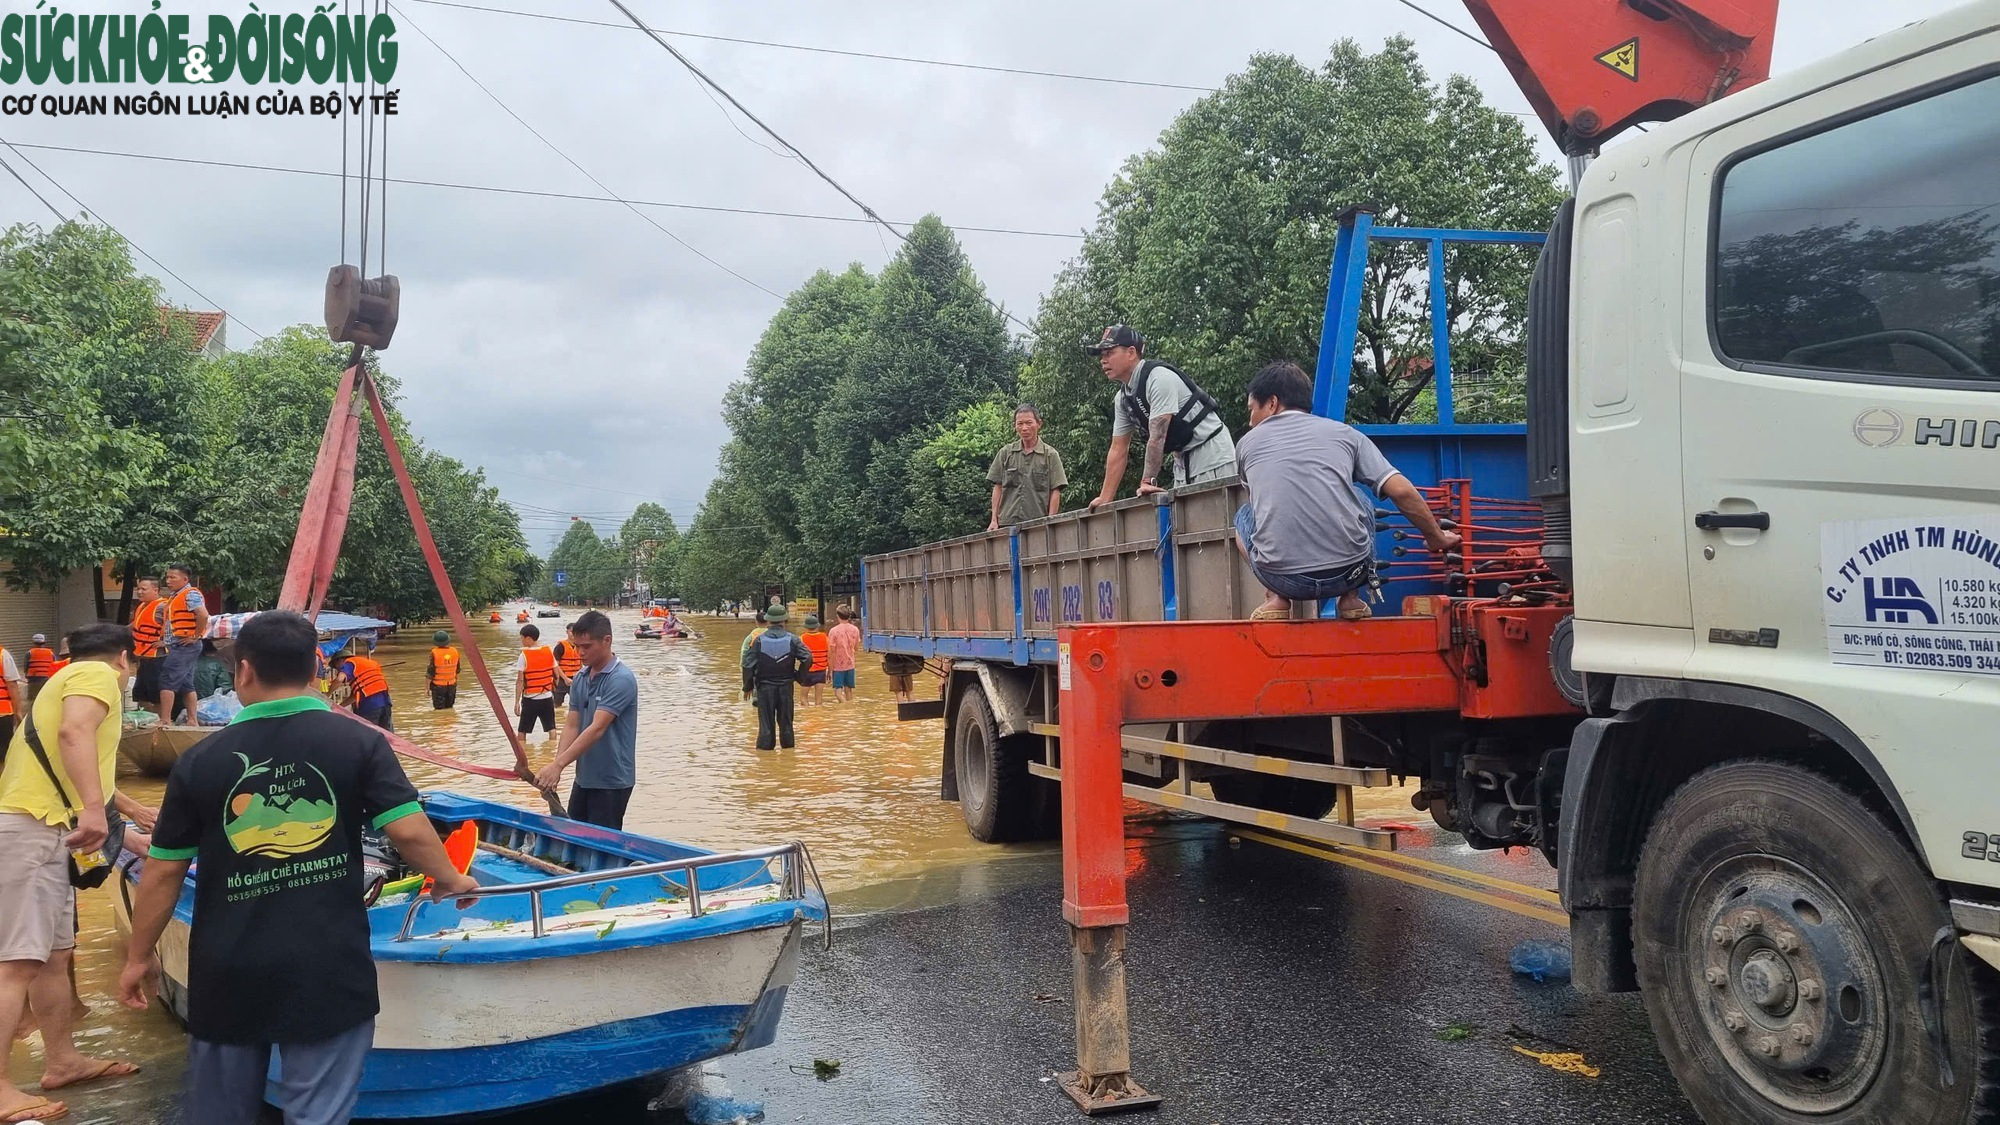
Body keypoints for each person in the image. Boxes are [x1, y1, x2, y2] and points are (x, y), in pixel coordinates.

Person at [118, 611, 477, 1125]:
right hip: (327, 967)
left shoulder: (201, 760)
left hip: (228, 971)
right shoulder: (359, 742)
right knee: (319, 1116)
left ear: (243, 672)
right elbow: (409, 831)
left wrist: (137, 958)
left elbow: (163, 870)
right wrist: (451, 878)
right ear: (315, 667)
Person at [0, 623, 142, 1124]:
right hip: (32, 828)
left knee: (55, 955)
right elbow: (74, 733)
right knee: (16, 961)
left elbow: (69, 755)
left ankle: (63, 1061)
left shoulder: (60, 680)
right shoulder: (98, 676)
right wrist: (95, 812)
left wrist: (125, 809)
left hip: (44, 828)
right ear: (125, 658)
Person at [1234, 362, 1461, 621]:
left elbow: (1263, 512)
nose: (1250, 421)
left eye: (1252, 410)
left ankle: (1276, 598)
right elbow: (1403, 491)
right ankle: (1351, 599)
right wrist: (1436, 537)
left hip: (1286, 581)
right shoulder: (1346, 434)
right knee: (1361, 497)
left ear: (1272, 403)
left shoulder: (1246, 445)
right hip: (1349, 574)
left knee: (1244, 515)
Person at [1084, 325, 1237, 508]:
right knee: (1186, 527)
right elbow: (1118, 449)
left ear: (1131, 352)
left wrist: (1148, 481)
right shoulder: (1123, 398)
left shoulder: (1158, 378)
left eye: (1109, 352)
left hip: (1211, 452)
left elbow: (1158, 435)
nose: (1103, 360)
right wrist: (1105, 498)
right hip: (1181, 460)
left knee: (1217, 520)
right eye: (1101, 355)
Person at [533, 611, 637, 829]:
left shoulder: (620, 680)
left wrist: (559, 764)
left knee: (601, 845)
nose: (580, 652)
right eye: (577, 646)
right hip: (584, 778)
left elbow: (597, 728)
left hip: (611, 781)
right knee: (574, 837)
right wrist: (556, 766)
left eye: (587, 646)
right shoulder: (580, 678)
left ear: (607, 640)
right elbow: (572, 725)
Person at [742, 606, 812, 752]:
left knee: (766, 725)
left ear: (768, 621)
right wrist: (799, 677)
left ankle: (765, 761)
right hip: (786, 686)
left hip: (764, 687)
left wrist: (747, 686)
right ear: (784, 621)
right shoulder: (793, 639)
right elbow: (807, 657)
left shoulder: (759, 641)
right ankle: (788, 755)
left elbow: (747, 664)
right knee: (786, 723)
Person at [987, 404, 1067, 530]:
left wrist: (1050, 521)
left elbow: (1055, 491)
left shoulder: (1050, 455)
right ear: (1015, 426)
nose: (1024, 428)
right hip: (1007, 524)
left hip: (1038, 524)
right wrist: (993, 520)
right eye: (1020, 424)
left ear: (1039, 424)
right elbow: (998, 487)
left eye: (1029, 423)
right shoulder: (1006, 453)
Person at [157, 565, 211, 724]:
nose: (168, 581)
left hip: (184, 645)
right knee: (186, 684)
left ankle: (165, 720)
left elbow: (203, 614)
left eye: (172, 577)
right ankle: (192, 720)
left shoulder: (190, 594)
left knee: (167, 680)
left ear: (185, 579)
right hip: (181, 644)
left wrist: (195, 636)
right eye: (167, 577)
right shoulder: (176, 596)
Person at [512, 624, 562, 736]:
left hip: (530, 699)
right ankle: (552, 751)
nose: (521, 641)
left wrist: (517, 702)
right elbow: (557, 675)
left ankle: (524, 752)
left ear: (528, 638)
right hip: (547, 697)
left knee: (522, 733)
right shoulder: (548, 652)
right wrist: (551, 691)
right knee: (552, 729)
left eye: (522, 638)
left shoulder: (524, 656)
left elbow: (520, 681)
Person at [129, 577, 167, 720]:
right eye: (138, 589)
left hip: (158, 657)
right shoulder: (141, 606)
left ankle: (160, 721)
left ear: (155, 590)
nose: (139, 592)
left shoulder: (163, 606)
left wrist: (166, 642)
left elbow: (176, 625)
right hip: (143, 657)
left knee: (156, 695)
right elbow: (135, 625)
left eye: (143, 589)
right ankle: (146, 720)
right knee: (140, 694)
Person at [336, 645, 394, 731]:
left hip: (370, 705)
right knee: (388, 736)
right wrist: (340, 707)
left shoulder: (348, 663)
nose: (337, 669)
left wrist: (328, 694)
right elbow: (354, 697)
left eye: (336, 666)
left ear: (340, 660)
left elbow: (339, 679)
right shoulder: (368, 663)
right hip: (386, 703)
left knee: (368, 735)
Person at [827, 606, 861, 704]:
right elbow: (856, 648)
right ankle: (850, 711)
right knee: (849, 690)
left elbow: (831, 652)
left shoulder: (833, 631)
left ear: (837, 616)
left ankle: (845, 709)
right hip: (850, 664)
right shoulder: (855, 629)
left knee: (838, 692)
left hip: (838, 666)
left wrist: (830, 669)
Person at [797, 615, 829, 706]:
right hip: (821, 671)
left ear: (806, 627)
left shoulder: (801, 638)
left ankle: (807, 715)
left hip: (807, 671)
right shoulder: (825, 638)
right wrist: (830, 670)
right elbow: (829, 656)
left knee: (803, 698)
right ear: (817, 626)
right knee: (819, 700)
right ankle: (818, 716)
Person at [426, 631, 461, 711]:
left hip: (438, 687)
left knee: (439, 710)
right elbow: (457, 670)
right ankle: (450, 722)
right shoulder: (455, 651)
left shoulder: (434, 653)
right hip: (452, 685)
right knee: (449, 708)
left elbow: (430, 673)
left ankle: (441, 722)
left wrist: (426, 688)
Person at [550, 628, 583, 709]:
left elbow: (581, 663)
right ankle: (558, 719)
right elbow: (555, 665)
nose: (573, 633)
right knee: (557, 704)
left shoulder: (581, 646)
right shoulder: (560, 646)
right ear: (567, 632)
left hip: (576, 678)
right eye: (571, 631)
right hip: (562, 679)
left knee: (579, 703)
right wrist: (565, 678)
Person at [0, 642, 24, 749]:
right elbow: (12, 685)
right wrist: (18, 712)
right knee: (3, 753)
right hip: (2, 713)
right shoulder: (2, 654)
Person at [23, 636, 56, 702]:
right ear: (44, 643)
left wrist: (26, 674)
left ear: (34, 643)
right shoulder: (50, 653)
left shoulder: (30, 652)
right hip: (47, 678)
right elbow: (54, 664)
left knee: (33, 699)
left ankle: (33, 711)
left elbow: (26, 665)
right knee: (46, 698)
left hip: (34, 678)